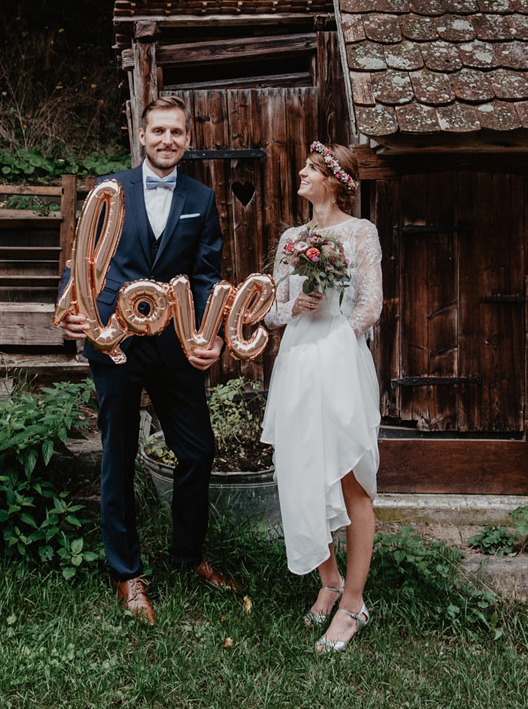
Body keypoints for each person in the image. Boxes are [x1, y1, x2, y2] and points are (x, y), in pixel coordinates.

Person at [57, 95, 238, 624]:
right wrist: (71, 305)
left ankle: (188, 555)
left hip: (177, 344)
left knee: (198, 450)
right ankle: (126, 573)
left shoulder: (201, 199)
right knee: (117, 454)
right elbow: (81, 259)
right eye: (158, 131)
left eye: (176, 133)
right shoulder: (109, 189)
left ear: (187, 139)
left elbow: (206, 276)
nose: (167, 140)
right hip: (115, 340)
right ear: (141, 135)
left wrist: (214, 335)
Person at [260, 141, 382, 652]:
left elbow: (371, 304)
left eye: (312, 168)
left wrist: (335, 343)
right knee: (301, 471)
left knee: (349, 478)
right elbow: (270, 310)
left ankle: (354, 603)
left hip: (339, 362)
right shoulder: (292, 237)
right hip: (296, 364)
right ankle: (328, 582)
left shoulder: (360, 233)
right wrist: (298, 309)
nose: (303, 174)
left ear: (334, 180)